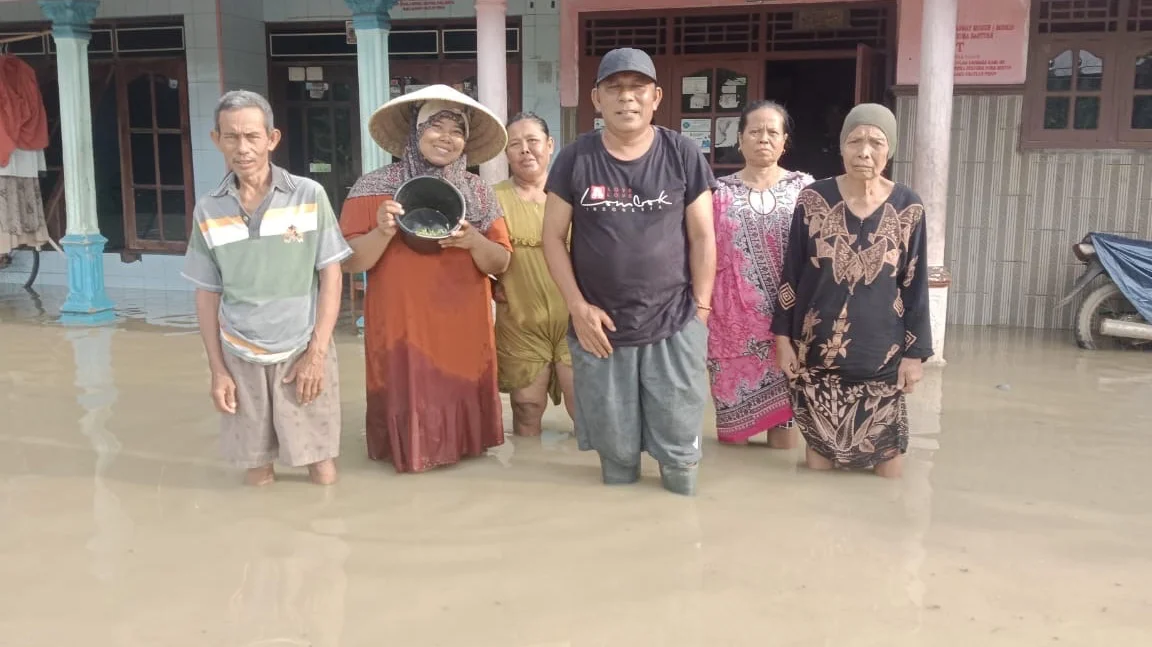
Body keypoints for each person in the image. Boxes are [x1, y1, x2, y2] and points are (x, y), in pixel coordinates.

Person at [542, 48, 716, 496]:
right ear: (596, 99)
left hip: (675, 323)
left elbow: (702, 237)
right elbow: (552, 237)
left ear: (656, 96)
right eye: (614, 89)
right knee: (616, 460)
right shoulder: (574, 158)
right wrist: (577, 308)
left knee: (680, 458)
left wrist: (700, 310)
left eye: (637, 88)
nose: (627, 98)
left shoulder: (682, 154)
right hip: (600, 328)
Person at [339, 85, 512, 474]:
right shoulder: (373, 188)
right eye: (435, 126)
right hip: (402, 322)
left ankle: (462, 450)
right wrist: (381, 231)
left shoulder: (478, 192)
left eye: (457, 129)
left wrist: (472, 240)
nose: (446, 137)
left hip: (462, 323)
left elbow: (501, 262)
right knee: (407, 388)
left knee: (467, 434)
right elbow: (349, 263)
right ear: (414, 133)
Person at [183, 90, 352, 487]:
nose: (242, 148)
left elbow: (332, 275)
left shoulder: (309, 196)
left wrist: (317, 352)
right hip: (239, 352)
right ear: (216, 140)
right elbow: (207, 293)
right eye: (231, 137)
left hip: (302, 350)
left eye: (252, 136)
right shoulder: (208, 208)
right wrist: (217, 370)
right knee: (256, 471)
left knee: (322, 470)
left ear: (272, 139)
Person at [771, 103, 932, 478]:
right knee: (819, 464)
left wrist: (915, 355)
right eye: (855, 141)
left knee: (889, 469)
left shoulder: (908, 205)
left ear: (889, 150)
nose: (864, 151)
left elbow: (915, 283)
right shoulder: (813, 200)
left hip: (882, 356)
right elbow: (791, 272)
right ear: (841, 147)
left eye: (876, 142)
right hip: (818, 354)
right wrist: (782, 337)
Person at [709, 100, 814, 448]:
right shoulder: (717, 192)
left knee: (783, 447)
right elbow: (699, 252)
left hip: (788, 330)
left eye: (773, 132)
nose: (763, 139)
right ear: (739, 140)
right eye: (754, 131)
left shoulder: (806, 190)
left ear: (785, 141)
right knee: (732, 440)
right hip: (730, 330)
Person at [492, 112, 576, 436]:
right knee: (526, 410)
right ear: (506, 152)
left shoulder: (574, 195)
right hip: (520, 322)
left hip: (573, 320)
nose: (525, 150)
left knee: (585, 410)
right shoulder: (492, 199)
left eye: (533, 141)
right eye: (515, 144)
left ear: (550, 145)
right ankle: (524, 482)